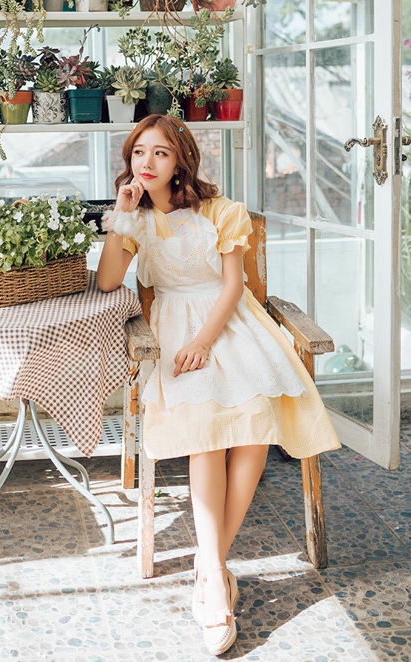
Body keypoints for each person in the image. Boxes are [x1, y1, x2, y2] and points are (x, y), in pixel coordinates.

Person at [97, 114, 340, 656]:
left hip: (229, 324)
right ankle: (214, 575)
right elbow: (109, 281)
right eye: (139, 152)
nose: (147, 162)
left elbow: (234, 285)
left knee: (255, 421)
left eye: (161, 153)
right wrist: (122, 213)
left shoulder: (221, 211)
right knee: (206, 432)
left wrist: (205, 341)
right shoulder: (135, 220)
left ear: (181, 160)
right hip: (172, 328)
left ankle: (209, 570)